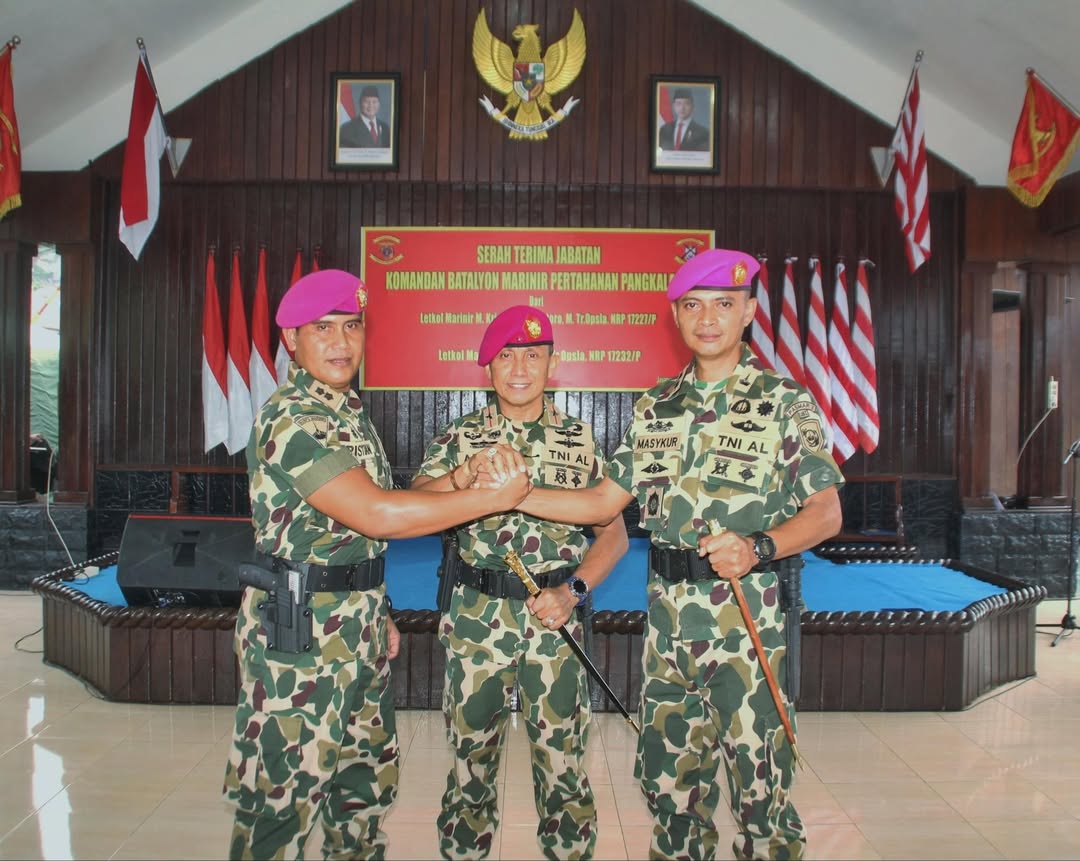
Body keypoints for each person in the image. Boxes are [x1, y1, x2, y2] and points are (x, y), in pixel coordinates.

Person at [514, 249, 843, 860]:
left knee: (762, 795)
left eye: (723, 304)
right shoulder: (655, 406)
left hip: (746, 627)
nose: (707, 318)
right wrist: (516, 493)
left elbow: (826, 512)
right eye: (693, 305)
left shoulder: (783, 401)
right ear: (676, 315)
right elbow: (601, 502)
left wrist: (759, 546)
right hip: (667, 633)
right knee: (669, 791)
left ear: (748, 311)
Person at [222, 269, 532, 861]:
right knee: (282, 804)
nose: (341, 342)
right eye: (323, 328)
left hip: (355, 625)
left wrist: (460, 478)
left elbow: (356, 532)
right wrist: (489, 498)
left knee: (362, 792)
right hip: (301, 638)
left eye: (352, 326)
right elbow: (377, 514)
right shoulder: (293, 419)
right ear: (291, 339)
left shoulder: (347, 414)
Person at [411, 305, 629, 861]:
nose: (520, 369)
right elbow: (416, 504)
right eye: (506, 356)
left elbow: (614, 535)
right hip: (477, 621)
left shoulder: (579, 440)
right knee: (470, 763)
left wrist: (573, 592)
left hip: (555, 622)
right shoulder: (461, 437)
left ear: (552, 364)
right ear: (488, 368)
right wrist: (463, 476)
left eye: (533, 355)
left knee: (563, 765)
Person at [659, 87, 710, 151]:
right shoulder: (664, 130)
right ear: (673, 106)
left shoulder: (703, 133)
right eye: (678, 103)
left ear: (692, 107)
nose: (682, 108)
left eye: (686, 104)